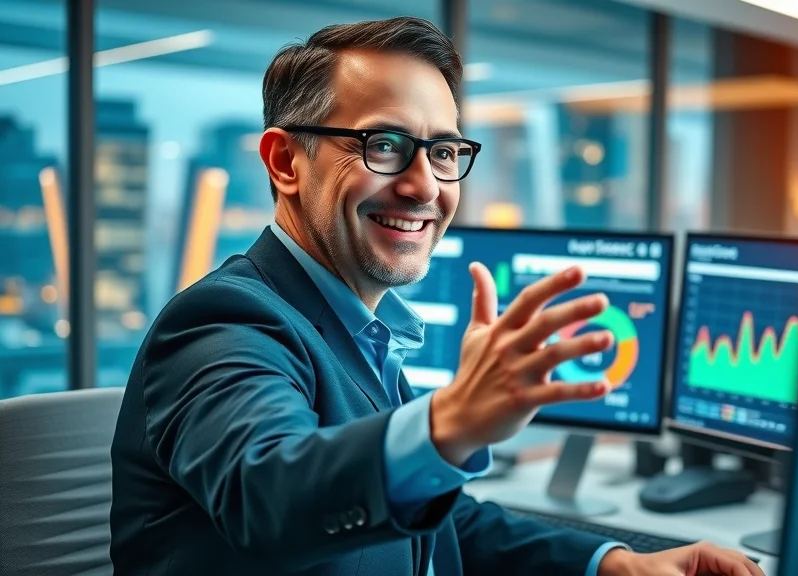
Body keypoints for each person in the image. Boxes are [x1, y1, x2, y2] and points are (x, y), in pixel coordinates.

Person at [109, 16, 763, 576]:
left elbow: (437, 524)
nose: (425, 187)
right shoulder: (226, 321)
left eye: (444, 151)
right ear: (285, 162)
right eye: (384, 145)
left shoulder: (356, 327)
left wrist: (615, 563)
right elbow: (269, 494)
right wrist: (449, 423)